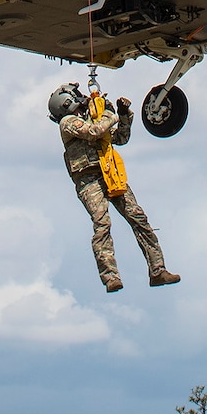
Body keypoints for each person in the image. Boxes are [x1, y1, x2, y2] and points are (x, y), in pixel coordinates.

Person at [48, 82, 179, 293]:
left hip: (109, 172)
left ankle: (158, 270)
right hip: (89, 181)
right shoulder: (68, 123)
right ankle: (110, 277)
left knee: (138, 217)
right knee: (102, 224)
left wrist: (124, 114)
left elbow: (120, 138)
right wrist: (109, 114)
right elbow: (94, 131)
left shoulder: (89, 117)